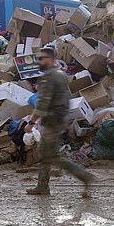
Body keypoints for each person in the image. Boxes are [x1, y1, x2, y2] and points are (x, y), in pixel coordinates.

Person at [25, 47, 94, 197]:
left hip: (51, 120)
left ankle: (84, 176)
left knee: (52, 156)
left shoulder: (48, 77)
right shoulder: (61, 75)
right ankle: (42, 186)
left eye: (41, 58)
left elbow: (43, 102)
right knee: (45, 153)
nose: (39, 61)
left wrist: (31, 122)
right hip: (58, 119)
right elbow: (67, 97)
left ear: (50, 59)